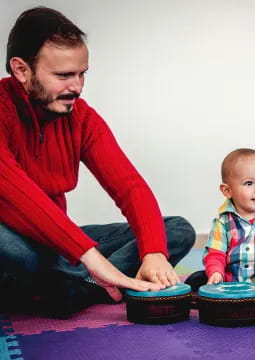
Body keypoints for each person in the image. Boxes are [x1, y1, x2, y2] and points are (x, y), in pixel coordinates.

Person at [0, 7, 195, 318]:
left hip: (58, 247)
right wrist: (88, 254)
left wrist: (154, 253)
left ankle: (79, 287)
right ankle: (85, 281)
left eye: (81, 74)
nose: (76, 87)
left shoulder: (82, 118)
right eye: (64, 75)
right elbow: (15, 193)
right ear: (22, 70)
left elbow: (129, 186)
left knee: (177, 230)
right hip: (15, 245)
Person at [185, 148, 255, 290]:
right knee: (197, 280)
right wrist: (216, 273)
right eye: (249, 183)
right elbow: (215, 253)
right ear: (228, 191)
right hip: (229, 283)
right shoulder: (223, 222)